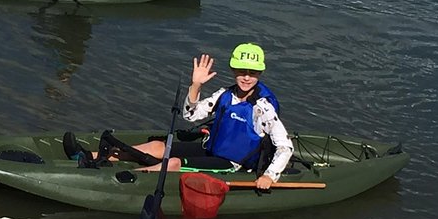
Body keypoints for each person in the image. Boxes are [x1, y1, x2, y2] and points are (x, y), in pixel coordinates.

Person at [63, 43, 294, 190]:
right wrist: (195, 85)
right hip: (211, 148)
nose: (246, 77)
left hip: (232, 163)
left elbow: (285, 147)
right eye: (241, 72)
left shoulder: (262, 107)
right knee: (157, 147)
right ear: (234, 71)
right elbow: (190, 115)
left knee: (172, 163)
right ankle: (89, 156)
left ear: (260, 73)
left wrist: (270, 176)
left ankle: (116, 180)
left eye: (252, 73)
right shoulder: (226, 94)